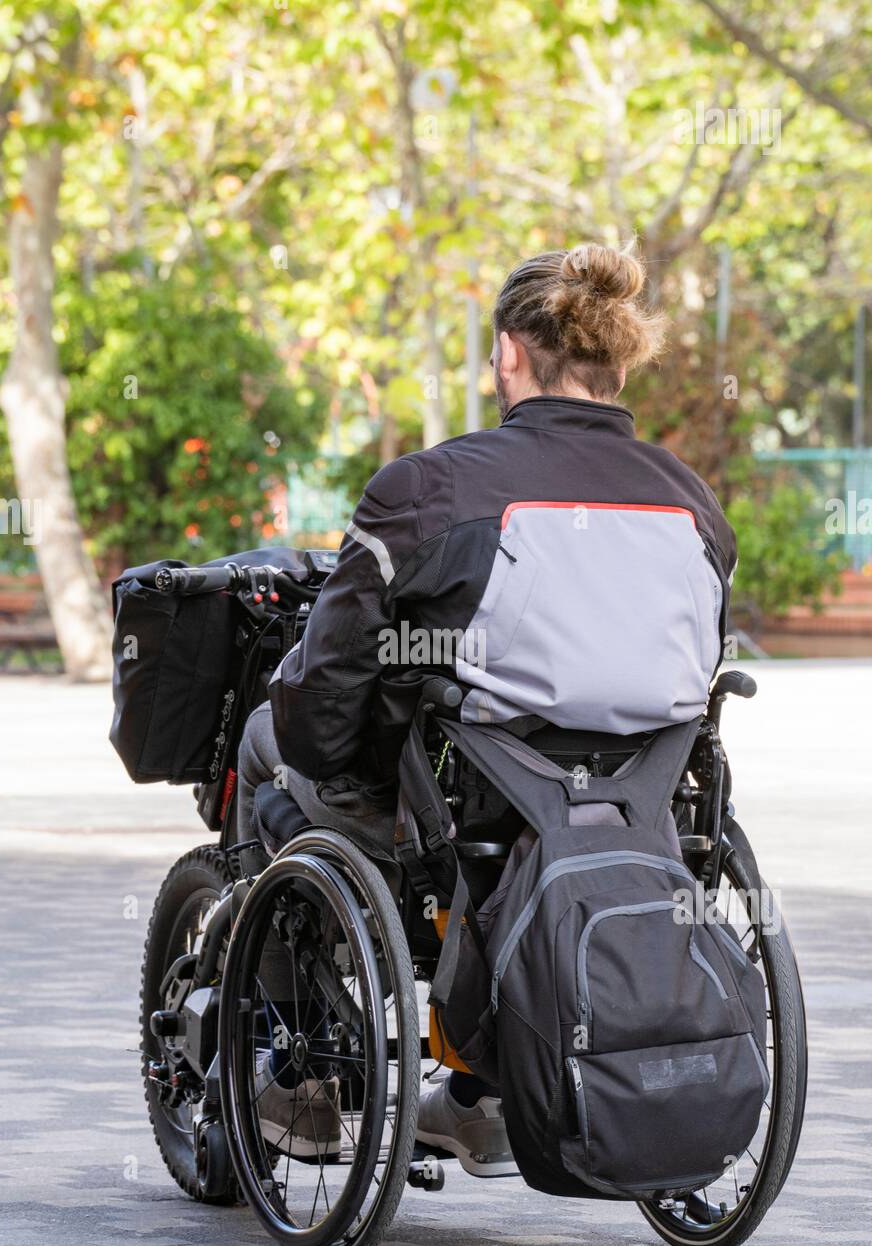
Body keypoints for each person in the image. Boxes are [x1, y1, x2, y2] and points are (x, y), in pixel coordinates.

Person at [237, 243, 737, 1174]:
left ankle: (302, 1071)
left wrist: (327, 749)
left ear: (509, 354)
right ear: (618, 363)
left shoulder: (430, 489)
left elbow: (331, 684)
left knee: (271, 744)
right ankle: (472, 1097)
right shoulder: (695, 506)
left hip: (462, 825)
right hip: (640, 819)